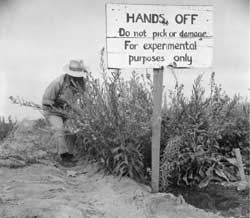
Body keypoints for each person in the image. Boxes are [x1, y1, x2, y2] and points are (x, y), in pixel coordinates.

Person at [42, 59, 87, 167]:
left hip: (68, 110)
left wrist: (82, 113)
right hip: (53, 110)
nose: (77, 78)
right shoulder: (57, 83)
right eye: (75, 75)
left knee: (73, 130)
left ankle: (69, 155)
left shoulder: (82, 83)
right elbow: (47, 102)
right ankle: (63, 156)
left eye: (79, 75)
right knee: (59, 129)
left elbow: (84, 100)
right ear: (69, 74)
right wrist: (62, 108)